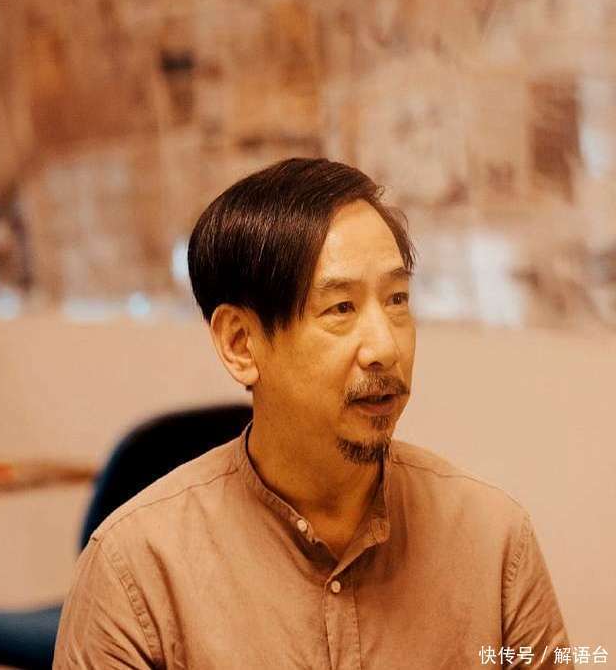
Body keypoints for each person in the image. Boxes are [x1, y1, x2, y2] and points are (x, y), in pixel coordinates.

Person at [54, 157, 572, 669]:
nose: (385, 347)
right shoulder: (136, 573)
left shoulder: (493, 540)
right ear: (240, 343)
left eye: (397, 299)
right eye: (341, 308)